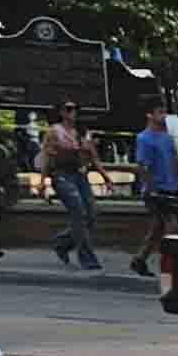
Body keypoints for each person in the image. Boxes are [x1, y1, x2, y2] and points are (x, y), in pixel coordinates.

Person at [38, 106, 102, 269]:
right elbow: (47, 156)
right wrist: (42, 181)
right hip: (61, 175)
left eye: (74, 109)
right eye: (68, 109)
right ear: (62, 112)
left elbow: (93, 157)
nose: (72, 112)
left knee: (91, 214)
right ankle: (87, 259)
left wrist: (105, 176)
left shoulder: (81, 132)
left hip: (79, 175)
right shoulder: (54, 132)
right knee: (79, 212)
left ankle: (62, 242)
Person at [126, 99, 178, 272]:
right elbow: (143, 166)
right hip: (156, 190)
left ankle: (139, 259)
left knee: (157, 228)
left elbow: (175, 160)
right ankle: (173, 265)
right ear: (149, 115)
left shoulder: (168, 136)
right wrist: (150, 188)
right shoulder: (144, 138)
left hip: (171, 186)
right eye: (160, 112)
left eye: (165, 112)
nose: (164, 115)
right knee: (172, 227)